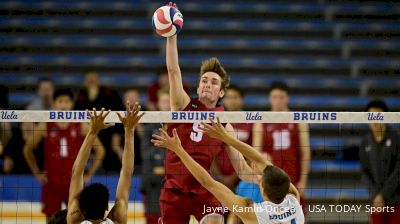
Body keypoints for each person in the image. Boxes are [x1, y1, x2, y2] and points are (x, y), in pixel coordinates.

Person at [161, 3, 257, 223]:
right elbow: (173, 72)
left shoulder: (224, 124)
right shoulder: (183, 105)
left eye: (213, 82)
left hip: (204, 188)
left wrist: (265, 180)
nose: (207, 84)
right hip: (174, 190)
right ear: (197, 87)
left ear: (221, 92)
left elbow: (242, 169)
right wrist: (171, 35)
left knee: (215, 219)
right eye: (204, 80)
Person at [151, 117, 305, 224]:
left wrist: (178, 149)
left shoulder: (250, 211)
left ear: (262, 191)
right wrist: (227, 137)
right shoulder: (294, 199)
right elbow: (261, 162)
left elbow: (208, 182)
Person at [23, 89, 105, 220]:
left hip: (74, 181)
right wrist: (36, 172)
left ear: (71, 104)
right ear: (54, 104)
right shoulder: (46, 124)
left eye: (66, 101)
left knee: (78, 218)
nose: (63, 105)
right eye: (60, 101)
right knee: (50, 219)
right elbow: (27, 149)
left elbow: (100, 150)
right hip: (51, 182)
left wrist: (90, 173)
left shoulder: (80, 124)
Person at [66, 103, 144, 224]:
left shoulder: (74, 219)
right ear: (107, 207)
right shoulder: (117, 219)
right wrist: (130, 130)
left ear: (82, 209)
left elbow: (77, 172)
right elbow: (127, 172)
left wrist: (92, 131)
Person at [247, 82, 310, 209]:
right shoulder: (261, 122)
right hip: (271, 179)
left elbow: (305, 153)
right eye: (275, 97)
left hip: (293, 177)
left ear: (287, 98)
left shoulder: (298, 120)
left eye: (281, 97)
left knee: (298, 214)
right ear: (270, 99)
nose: (278, 100)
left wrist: (303, 180)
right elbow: (255, 154)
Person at [74, 70, 125, 173]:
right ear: (84, 81)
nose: (91, 80)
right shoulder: (80, 96)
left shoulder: (110, 93)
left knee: (112, 166)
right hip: (88, 137)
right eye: (89, 78)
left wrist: (117, 136)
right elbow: (75, 118)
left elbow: (120, 115)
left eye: (93, 78)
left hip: (108, 136)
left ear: (98, 79)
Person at [360, 99, 400, 224]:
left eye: (378, 116)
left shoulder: (396, 139)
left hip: (396, 200)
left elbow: (398, 171)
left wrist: (383, 194)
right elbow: (365, 172)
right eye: (371, 116)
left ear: (386, 117)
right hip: (376, 202)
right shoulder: (365, 142)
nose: (374, 120)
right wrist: (376, 196)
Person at [141, 90, 170, 224]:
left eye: (170, 101)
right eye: (165, 101)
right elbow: (146, 157)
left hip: (174, 187)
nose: (168, 104)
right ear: (158, 104)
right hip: (152, 187)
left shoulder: (182, 127)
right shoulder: (148, 129)